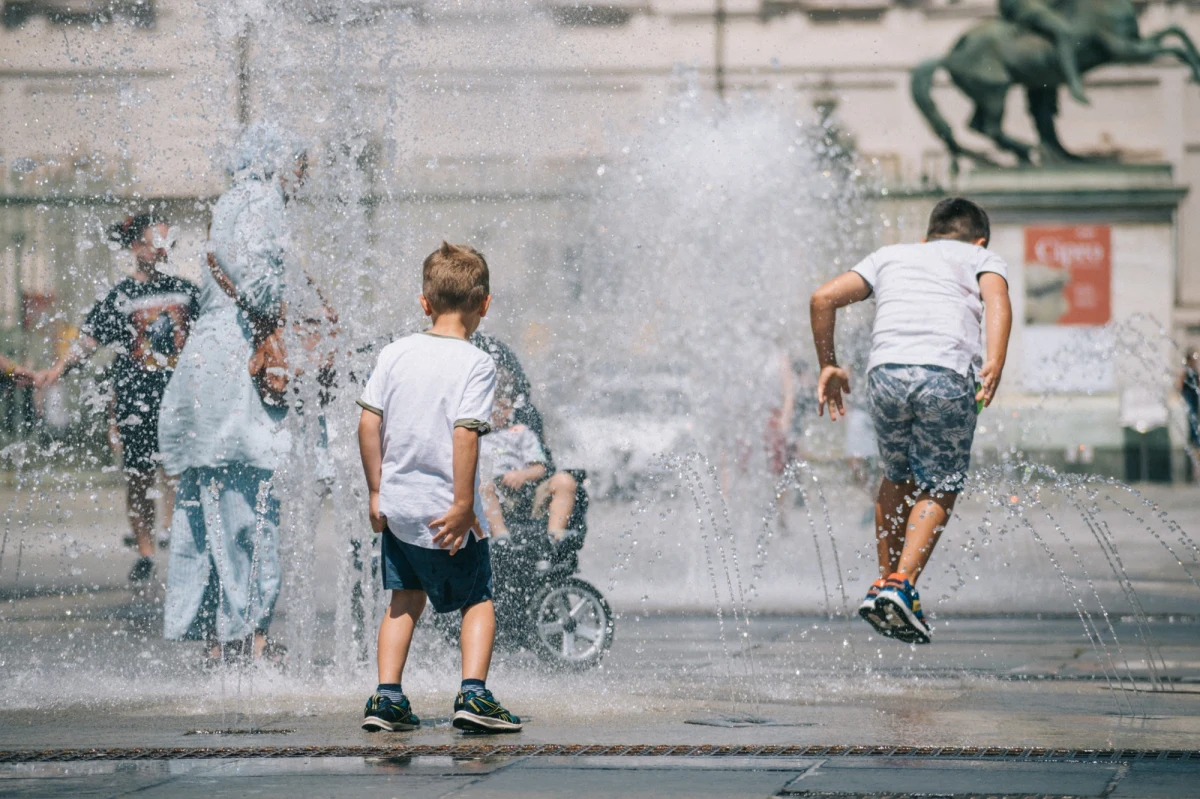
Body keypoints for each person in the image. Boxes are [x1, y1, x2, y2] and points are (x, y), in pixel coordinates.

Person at [809, 197, 1012, 645]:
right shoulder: (981, 258)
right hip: (944, 372)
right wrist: (995, 360)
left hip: (885, 374)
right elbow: (997, 299)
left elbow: (822, 298)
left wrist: (828, 364)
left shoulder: (891, 255)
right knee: (941, 481)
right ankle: (903, 586)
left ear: (926, 238)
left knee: (896, 475)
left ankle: (885, 584)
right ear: (979, 240)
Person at [358, 241, 521, 734]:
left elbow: (368, 423)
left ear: (424, 302)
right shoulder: (477, 363)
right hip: (445, 509)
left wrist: (376, 492)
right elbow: (466, 433)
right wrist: (464, 504)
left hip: (399, 506)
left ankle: (387, 698)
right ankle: (474, 694)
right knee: (478, 598)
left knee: (403, 599)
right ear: (484, 304)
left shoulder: (394, 352)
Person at [157, 124, 305, 662]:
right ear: (279, 160)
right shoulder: (263, 200)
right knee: (246, 499)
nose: (304, 177)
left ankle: (216, 634)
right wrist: (286, 308)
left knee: (207, 499)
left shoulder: (229, 202)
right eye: (301, 164)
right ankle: (248, 634)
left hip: (208, 360)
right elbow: (260, 285)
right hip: (235, 364)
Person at [37, 213, 199, 583]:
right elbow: (89, 341)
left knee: (179, 473)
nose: (164, 250)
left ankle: (176, 538)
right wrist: (57, 370)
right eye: (156, 243)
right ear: (136, 246)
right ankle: (145, 551)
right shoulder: (120, 296)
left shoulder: (188, 291)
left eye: (169, 243)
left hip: (180, 401)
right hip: (135, 400)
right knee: (139, 476)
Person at [480, 369, 578, 542]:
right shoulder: (475, 435)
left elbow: (540, 468)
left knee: (565, 481)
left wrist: (523, 475)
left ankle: (555, 535)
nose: (500, 412)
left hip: (527, 494)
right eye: (495, 407)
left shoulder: (521, 432)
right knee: (481, 484)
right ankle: (501, 537)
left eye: (505, 407)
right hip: (492, 495)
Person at [1179, 347, 1200, 479]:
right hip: (1189, 397)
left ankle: (1195, 441)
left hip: (1194, 397)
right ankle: (1194, 442)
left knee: (1195, 418)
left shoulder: (1195, 370)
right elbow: (1180, 384)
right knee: (1192, 418)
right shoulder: (1185, 370)